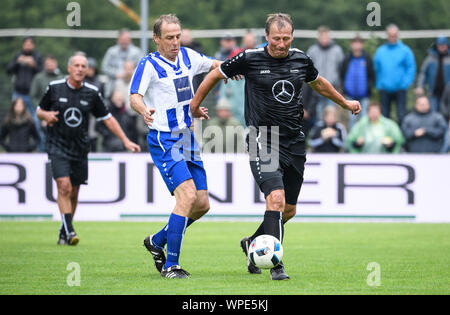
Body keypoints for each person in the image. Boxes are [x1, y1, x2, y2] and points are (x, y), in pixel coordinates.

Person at [190, 13, 361, 280]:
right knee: (277, 200)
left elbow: (320, 84)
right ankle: (276, 263)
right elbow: (214, 74)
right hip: (263, 138)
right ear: (266, 37)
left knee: (289, 210)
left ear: (292, 37)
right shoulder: (249, 58)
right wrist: (194, 104)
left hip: (294, 140)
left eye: (286, 38)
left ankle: (252, 243)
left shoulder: (301, 59)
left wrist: (345, 103)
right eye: (276, 38)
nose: (281, 44)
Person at [129, 14, 230, 279]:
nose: (175, 42)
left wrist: (234, 68)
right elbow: (134, 96)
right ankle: (171, 265)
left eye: (178, 36)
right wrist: (144, 110)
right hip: (165, 137)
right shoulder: (149, 64)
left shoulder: (188, 56)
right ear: (156, 39)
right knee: (186, 197)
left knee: (202, 203)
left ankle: (157, 240)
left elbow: (214, 65)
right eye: (169, 38)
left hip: (187, 136)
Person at [36, 53, 140, 246]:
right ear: (69, 68)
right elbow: (39, 110)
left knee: (74, 191)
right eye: (76, 65)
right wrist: (46, 115)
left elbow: (107, 118)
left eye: (83, 66)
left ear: (87, 70)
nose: (80, 69)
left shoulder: (91, 92)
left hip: (80, 147)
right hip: (57, 145)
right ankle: (70, 231)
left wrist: (125, 140)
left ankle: (64, 229)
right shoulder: (54, 88)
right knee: (63, 186)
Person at [374, 24, 416, 124]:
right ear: (387, 35)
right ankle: (385, 139)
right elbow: (376, 69)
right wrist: (379, 84)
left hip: (400, 88)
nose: (392, 37)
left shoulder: (405, 51)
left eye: (394, 35)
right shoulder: (380, 51)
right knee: (384, 116)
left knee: (401, 115)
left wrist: (405, 83)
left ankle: (402, 138)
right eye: (390, 35)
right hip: (384, 89)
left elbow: (411, 68)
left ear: (397, 35)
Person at [307, 26, 345, 120]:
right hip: (317, 89)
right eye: (322, 37)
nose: (324, 39)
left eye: (326, 36)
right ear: (318, 37)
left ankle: (332, 134)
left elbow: (342, 68)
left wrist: (340, 84)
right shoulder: (312, 50)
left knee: (331, 114)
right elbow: (307, 68)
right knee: (319, 114)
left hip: (332, 88)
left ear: (329, 37)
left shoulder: (337, 50)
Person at [30, 55, 64, 152]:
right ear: (45, 64)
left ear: (56, 64)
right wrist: (42, 112)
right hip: (41, 111)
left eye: (53, 63)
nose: (51, 65)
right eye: (49, 63)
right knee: (37, 127)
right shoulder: (38, 78)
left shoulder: (61, 78)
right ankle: (42, 152)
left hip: (58, 112)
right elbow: (33, 96)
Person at [340, 35, 374, 129]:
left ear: (362, 45)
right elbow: (342, 74)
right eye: (355, 43)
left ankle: (364, 140)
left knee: (364, 118)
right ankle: (352, 141)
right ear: (351, 45)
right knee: (352, 119)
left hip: (364, 95)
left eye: (359, 43)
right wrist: (344, 89)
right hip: (350, 95)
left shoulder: (367, 58)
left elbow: (372, 75)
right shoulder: (347, 58)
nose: (357, 46)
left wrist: (369, 87)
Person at [102, 29, 142, 97]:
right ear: (118, 40)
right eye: (123, 39)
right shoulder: (111, 52)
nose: (124, 41)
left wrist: (131, 73)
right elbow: (104, 67)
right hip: (114, 85)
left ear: (130, 40)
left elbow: (141, 68)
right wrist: (116, 74)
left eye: (126, 39)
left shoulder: (137, 52)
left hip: (131, 85)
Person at [416, 36, 450, 112]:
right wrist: (420, 86)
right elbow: (423, 73)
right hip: (433, 92)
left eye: (443, 45)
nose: (441, 48)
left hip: (448, 93)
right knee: (433, 113)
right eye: (439, 46)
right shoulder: (430, 58)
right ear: (436, 46)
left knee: (447, 113)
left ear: (447, 46)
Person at [440, 82, 450, 152]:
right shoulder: (449, 86)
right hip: (448, 118)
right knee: (447, 142)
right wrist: (447, 115)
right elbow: (443, 102)